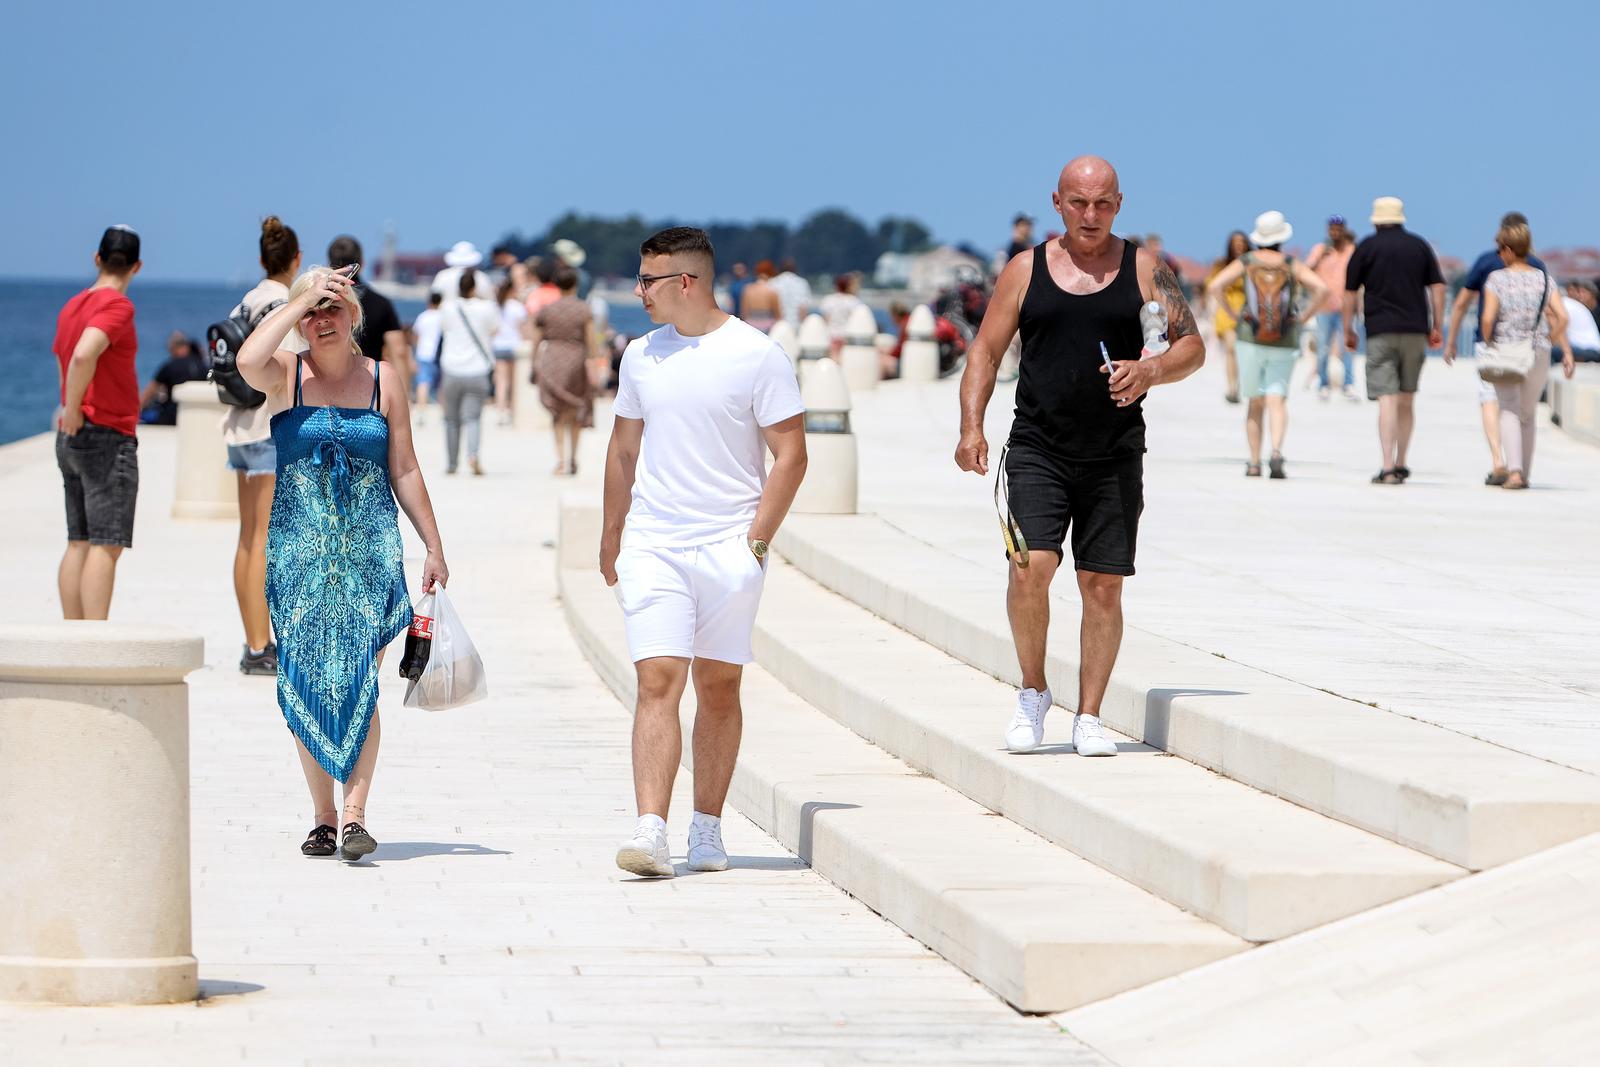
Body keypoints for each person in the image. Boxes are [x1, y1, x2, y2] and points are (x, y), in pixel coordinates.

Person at [954, 156, 1204, 759]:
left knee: (1102, 586)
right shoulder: (1024, 269)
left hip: (1114, 453)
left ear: (1119, 204)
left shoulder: (1146, 268)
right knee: (1029, 567)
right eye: (1078, 203)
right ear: (1058, 203)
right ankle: (1033, 691)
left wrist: (1149, 370)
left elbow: (1192, 346)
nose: (1090, 215)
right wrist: (971, 427)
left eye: (1103, 204)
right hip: (1037, 445)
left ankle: (1089, 715)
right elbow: (985, 352)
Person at [601, 227, 807, 878]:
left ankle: (708, 825)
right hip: (655, 542)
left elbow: (792, 455)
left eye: (647, 281)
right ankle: (650, 829)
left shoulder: (757, 355)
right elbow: (623, 449)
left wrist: (756, 542)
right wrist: (613, 532)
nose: (639, 292)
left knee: (719, 687)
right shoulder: (639, 356)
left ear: (684, 282)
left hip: (729, 547)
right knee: (657, 679)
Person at [235, 265, 447, 861]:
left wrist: (433, 544)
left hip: (369, 552)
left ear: (354, 314)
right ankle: (322, 816)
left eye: (333, 309)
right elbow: (248, 360)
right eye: (311, 314)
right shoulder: (286, 375)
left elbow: (404, 468)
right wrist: (300, 296)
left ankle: (354, 815)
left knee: (358, 681)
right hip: (298, 553)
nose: (321, 320)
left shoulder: (385, 381)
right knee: (302, 677)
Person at [53, 225, 143, 621]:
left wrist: (68, 410)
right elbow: (83, 356)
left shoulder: (72, 306)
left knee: (79, 542)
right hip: (105, 433)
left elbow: (66, 357)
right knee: (106, 545)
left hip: (72, 438)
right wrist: (75, 407)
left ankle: (75, 638)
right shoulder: (118, 306)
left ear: (97, 258)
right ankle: (95, 642)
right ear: (137, 267)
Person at [224, 217, 301, 673]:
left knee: (247, 537)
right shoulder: (283, 306)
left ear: (260, 259)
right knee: (269, 541)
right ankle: (262, 644)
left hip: (238, 428)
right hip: (270, 430)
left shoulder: (245, 301)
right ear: (296, 259)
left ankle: (253, 641)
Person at [1205, 212, 1328, 478]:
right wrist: (1302, 318)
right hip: (1284, 339)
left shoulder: (1247, 261)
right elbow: (1322, 289)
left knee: (1255, 401)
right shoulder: (1290, 263)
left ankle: (1253, 461)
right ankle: (1276, 452)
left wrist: (1235, 315)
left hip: (1250, 338)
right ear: (1282, 236)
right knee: (1277, 398)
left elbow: (1216, 286)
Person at [1458, 221, 1573, 491]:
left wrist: (1489, 341)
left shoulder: (1497, 279)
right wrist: (1548, 339)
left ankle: (1515, 471)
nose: (1499, 254)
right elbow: (1563, 317)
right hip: (1538, 353)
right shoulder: (1544, 278)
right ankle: (1525, 472)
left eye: (1501, 249)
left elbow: (1487, 319)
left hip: (1507, 350)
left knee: (1508, 408)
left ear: (1508, 249)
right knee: (1528, 413)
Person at [1343, 197, 1445, 485]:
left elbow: (1349, 292)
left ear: (1375, 220)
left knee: (1386, 399)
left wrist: (1348, 329)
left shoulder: (1366, 247)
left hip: (1380, 330)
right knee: (1407, 397)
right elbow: (1437, 286)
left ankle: (1387, 466)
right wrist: (1437, 325)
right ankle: (1402, 462)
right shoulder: (1419, 246)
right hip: (1415, 330)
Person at [1441, 212, 1548, 485]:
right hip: (1532, 348)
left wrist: (1452, 339)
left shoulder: (1487, 262)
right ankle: (1519, 469)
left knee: (1491, 399)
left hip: (1493, 345)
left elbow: (1464, 303)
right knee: (1524, 411)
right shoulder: (1538, 267)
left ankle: (1499, 460)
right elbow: (1554, 312)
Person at [532, 264, 596, 475]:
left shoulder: (548, 310)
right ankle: (574, 458)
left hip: (552, 359)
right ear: (576, 284)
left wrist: (534, 364)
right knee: (575, 412)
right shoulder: (584, 309)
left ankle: (560, 460)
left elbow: (536, 340)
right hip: (575, 359)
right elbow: (591, 342)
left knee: (558, 414)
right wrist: (594, 364)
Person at [436, 271, 501, 476]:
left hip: (452, 368)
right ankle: (472, 455)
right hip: (478, 368)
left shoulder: (447, 307)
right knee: (473, 417)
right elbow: (494, 330)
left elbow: (443, 329)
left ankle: (452, 463)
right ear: (475, 287)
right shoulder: (487, 308)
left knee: (451, 419)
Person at [329, 236, 412, 390]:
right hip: (370, 385)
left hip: (326, 386)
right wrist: (405, 397)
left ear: (330, 265)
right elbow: (398, 350)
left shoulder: (321, 304)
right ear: (362, 264)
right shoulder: (381, 303)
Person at [1305, 215, 1359, 399]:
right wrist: (1320, 258)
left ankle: (1349, 384)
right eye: (1332, 229)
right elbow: (1305, 272)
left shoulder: (1352, 251)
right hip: (1324, 307)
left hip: (1347, 307)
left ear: (1344, 230)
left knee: (1348, 347)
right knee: (1323, 347)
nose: (1335, 232)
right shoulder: (1319, 250)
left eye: (1338, 229)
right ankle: (1323, 383)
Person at [1205, 231, 1249, 403]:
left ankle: (1239, 385)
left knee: (1242, 351)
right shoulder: (1221, 264)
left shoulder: (1251, 263)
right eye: (1236, 242)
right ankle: (1232, 388)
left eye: (1242, 241)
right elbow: (1211, 286)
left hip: (1246, 311)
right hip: (1227, 310)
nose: (1239, 245)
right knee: (1231, 349)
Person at [138, 332, 207, 425]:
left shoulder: (170, 366)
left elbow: (149, 392)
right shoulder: (202, 365)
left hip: (173, 417)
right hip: (200, 415)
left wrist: (136, 410)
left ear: (174, 348)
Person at [490, 276, 526, 424]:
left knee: (500, 381)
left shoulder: (495, 306)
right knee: (512, 382)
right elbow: (523, 328)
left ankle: (500, 411)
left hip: (498, 345)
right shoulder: (517, 307)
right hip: (514, 345)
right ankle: (511, 410)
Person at [819, 272, 868, 356]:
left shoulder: (828, 300)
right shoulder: (854, 301)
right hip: (847, 338)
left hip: (831, 336)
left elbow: (825, 320)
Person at [411, 292, 443, 413]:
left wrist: (415, 350)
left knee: (423, 382)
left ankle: (421, 408)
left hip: (423, 352)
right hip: (439, 353)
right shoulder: (443, 317)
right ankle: (442, 409)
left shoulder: (423, 316)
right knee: (441, 382)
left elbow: (416, 335)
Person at [738, 260, 781, 332]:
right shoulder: (772, 291)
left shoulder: (747, 289)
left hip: (751, 325)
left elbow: (743, 314)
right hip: (768, 326)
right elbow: (778, 316)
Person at [1564, 281, 1600, 361]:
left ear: (1593, 294)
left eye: (1584, 292)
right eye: (1579, 292)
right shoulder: (1579, 309)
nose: (1580, 296)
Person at [770, 258, 811, 327]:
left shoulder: (773, 282)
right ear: (794, 269)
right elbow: (803, 307)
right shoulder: (801, 283)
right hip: (796, 324)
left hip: (777, 325)